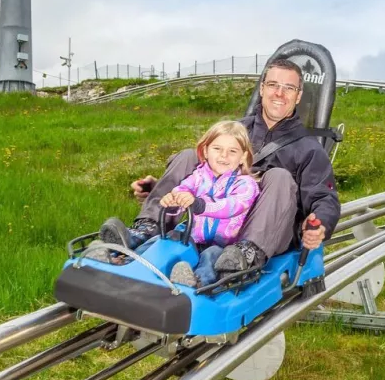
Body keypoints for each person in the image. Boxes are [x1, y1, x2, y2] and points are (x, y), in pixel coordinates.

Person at [108, 56, 340, 278]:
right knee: (189, 155)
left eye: (289, 88)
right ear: (261, 89)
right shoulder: (235, 130)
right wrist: (158, 187)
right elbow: (204, 174)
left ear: (298, 96)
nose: (279, 93)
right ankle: (147, 228)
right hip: (216, 219)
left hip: (266, 229)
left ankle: (246, 253)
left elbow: (325, 198)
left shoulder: (309, 149)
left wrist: (320, 224)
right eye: (273, 84)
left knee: (278, 176)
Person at [154, 121, 259, 287]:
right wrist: (174, 201)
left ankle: (197, 282)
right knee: (167, 239)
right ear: (205, 150)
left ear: (243, 157)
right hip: (193, 237)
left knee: (212, 256)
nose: (224, 156)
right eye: (217, 149)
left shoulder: (246, 184)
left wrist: (200, 205)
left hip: (223, 243)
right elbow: (184, 190)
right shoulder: (198, 176)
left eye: (232, 151)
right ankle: (134, 259)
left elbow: (232, 206)